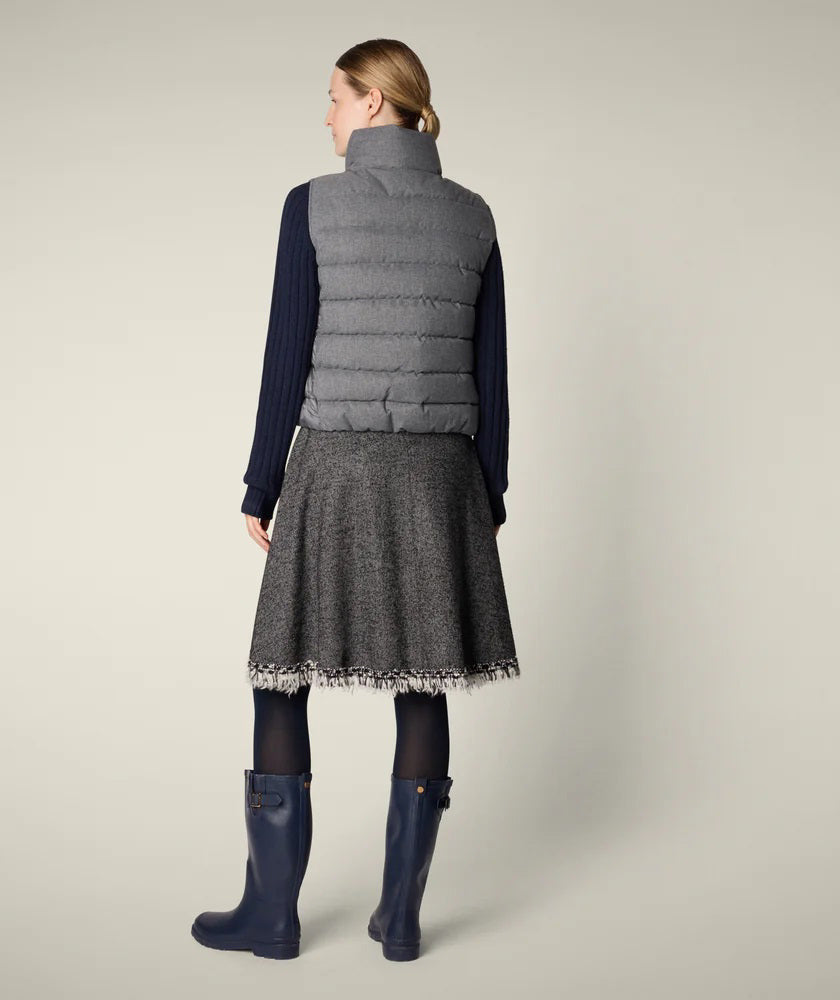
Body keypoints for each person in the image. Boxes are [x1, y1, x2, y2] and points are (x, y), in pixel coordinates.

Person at [191, 38, 519, 962]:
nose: (328, 114)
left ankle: (273, 916)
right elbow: (492, 372)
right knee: (421, 683)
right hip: (440, 476)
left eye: (335, 97)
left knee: (279, 674)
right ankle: (401, 919)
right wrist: (487, 494)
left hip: (333, 467)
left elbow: (284, 353)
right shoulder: (473, 214)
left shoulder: (311, 205)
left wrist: (262, 481)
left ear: (375, 101)